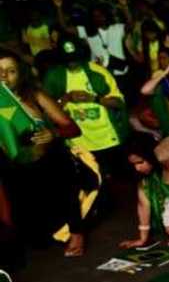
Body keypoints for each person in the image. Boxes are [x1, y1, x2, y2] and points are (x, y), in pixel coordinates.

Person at [0, 49, 88, 257]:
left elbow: (73, 128)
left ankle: (77, 235)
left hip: (49, 161)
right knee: (34, 233)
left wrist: (53, 133)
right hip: (15, 167)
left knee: (64, 182)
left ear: (20, 73)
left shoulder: (34, 95)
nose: (4, 76)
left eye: (10, 71)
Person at [42, 36, 127, 171]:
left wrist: (93, 98)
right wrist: (66, 98)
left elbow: (119, 104)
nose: (72, 63)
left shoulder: (98, 72)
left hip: (107, 139)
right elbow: (45, 112)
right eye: (68, 59)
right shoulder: (54, 76)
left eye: (75, 58)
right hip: (78, 144)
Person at [119, 135, 169, 249]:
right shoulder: (145, 179)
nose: (137, 168)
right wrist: (142, 239)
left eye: (140, 162)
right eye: (133, 164)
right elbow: (143, 205)